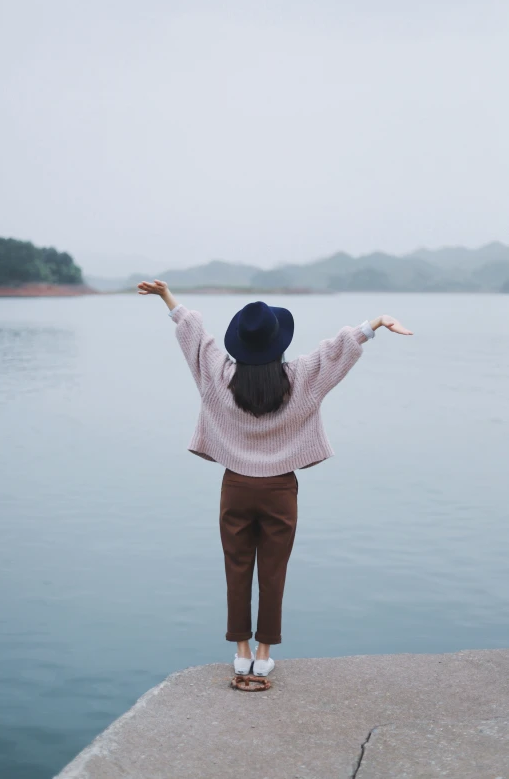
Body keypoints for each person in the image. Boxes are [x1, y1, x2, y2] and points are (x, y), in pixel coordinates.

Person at [138, 279, 413, 677]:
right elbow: (335, 352)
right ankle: (264, 655)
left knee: (236, 568)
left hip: (235, 487)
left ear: (240, 343)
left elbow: (195, 337)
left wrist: (166, 296)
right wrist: (376, 322)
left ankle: (241, 650)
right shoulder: (300, 377)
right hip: (280, 489)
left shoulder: (218, 375)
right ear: (277, 342)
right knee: (273, 571)